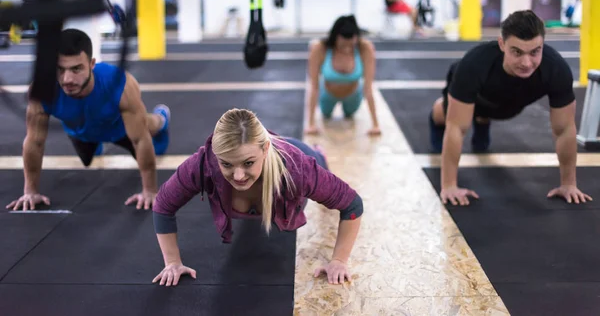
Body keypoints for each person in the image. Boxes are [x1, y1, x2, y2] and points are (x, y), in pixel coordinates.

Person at [151, 108, 363, 287]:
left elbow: (352, 205)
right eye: (227, 164)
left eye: (248, 163)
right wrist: (172, 262)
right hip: (269, 151)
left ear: (265, 148)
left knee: (318, 162)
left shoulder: (299, 170)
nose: (238, 176)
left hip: (298, 153)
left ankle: (319, 152)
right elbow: (163, 205)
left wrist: (339, 260)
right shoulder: (203, 164)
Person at [428, 10, 592, 207]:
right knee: (446, 115)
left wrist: (568, 184)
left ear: (543, 45)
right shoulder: (474, 65)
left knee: (502, 110)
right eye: (517, 52)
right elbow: (456, 127)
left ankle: (482, 120)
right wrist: (449, 185)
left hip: (512, 102)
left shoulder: (556, 69)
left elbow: (564, 129)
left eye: (534, 52)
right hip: (477, 93)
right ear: (501, 44)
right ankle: (463, 118)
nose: (526, 62)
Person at [6, 28, 171, 212]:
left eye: (76, 69)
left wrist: (149, 190)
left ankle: (162, 118)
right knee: (87, 158)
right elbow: (34, 142)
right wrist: (30, 191)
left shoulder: (119, 83)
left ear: (92, 64)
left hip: (119, 128)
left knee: (149, 132)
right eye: (60, 69)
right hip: (81, 132)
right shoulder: (42, 89)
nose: (67, 79)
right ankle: (96, 142)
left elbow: (140, 140)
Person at [304, 15, 381, 136]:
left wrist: (375, 125)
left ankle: (349, 109)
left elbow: (368, 87)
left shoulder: (365, 48)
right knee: (326, 115)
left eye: (350, 46)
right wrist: (311, 124)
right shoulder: (319, 48)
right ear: (335, 38)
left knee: (349, 115)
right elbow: (313, 87)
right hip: (327, 95)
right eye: (342, 45)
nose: (346, 49)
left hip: (353, 95)